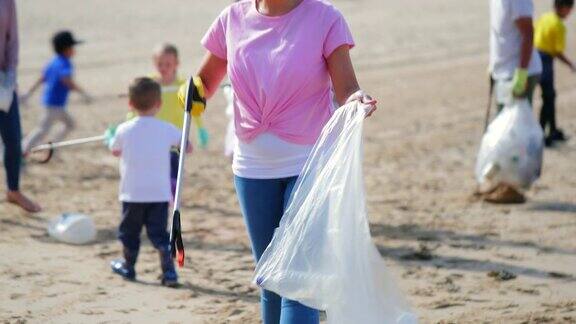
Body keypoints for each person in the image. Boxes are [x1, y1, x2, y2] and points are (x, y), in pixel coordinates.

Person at [187, 0, 377, 323]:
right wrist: (190, 94)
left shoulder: (325, 18)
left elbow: (347, 89)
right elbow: (204, 82)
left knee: (297, 280)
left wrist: (357, 100)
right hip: (251, 168)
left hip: (309, 164)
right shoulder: (232, 18)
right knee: (270, 278)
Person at [108, 77, 190, 287]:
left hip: (132, 194)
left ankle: (129, 266)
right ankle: (169, 273)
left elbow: (115, 150)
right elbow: (187, 146)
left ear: (130, 104)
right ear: (159, 104)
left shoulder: (124, 130)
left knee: (129, 233)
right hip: (159, 194)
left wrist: (110, 138)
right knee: (159, 235)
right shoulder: (166, 128)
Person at [128, 43, 208, 196]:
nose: (163, 68)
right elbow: (136, 107)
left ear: (176, 64)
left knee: (174, 172)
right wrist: (128, 123)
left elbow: (194, 109)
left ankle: (170, 195)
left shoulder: (184, 86)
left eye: (168, 64)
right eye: (159, 64)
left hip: (175, 140)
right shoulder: (148, 85)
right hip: (152, 138)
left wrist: (201, 129)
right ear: (154, 63)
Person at [486, 0, 542, 204]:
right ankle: (502, 183)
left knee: (514, 135)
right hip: (503, 72)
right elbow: (501, 34)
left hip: (517, 73)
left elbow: (528, 32)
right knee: (502, 133)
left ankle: (512, 187)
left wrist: (521, 74)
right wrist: (493, 66)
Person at [20, 30, 91, 154]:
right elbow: (66, 80)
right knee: (42, 130)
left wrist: (29, 93)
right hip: (55, 104)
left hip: (51, 102)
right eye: (72, 47)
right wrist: (82, 93)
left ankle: (52, 147)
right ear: (66, 48)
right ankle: (22, 150)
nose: (74, 50)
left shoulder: (53, 61)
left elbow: (42, 78)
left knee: (68, 124)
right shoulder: (65, 63)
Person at [0, 0, 41, 212]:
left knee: (13, 139)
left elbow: (12, 40)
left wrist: (10, 76)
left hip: (3, 82)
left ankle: (13, 190)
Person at [534, 0, 575, 146]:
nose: (570, 12)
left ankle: (552, 130)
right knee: (549, 97)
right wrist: (571, 64)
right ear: (563, 8)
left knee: (549, 97)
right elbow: (557, 51)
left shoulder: (545, 17)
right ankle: (543, 133)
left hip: (535, 56)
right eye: (570, 9)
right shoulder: (558, 25)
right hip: (545, 60)